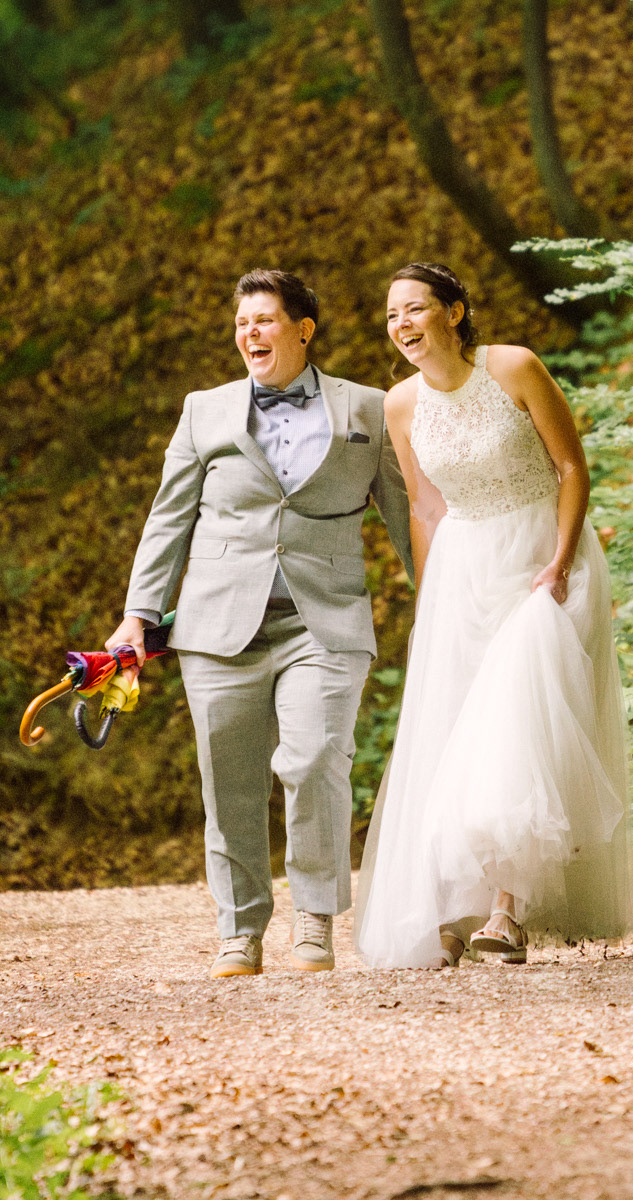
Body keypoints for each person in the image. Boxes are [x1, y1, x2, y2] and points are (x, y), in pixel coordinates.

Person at [106, 268, 411, 978]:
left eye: (264, 320)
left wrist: (444, 593)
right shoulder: (203, 411)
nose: (250, 334)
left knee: (315, 761)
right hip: (216, 627)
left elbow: (408, 513)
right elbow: (168, 518)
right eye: (242, 324)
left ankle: (314, 921)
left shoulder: (369, 409)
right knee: (230, 784)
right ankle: (239, 931)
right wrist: (137, 615)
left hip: (324, 621)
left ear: (303, 329)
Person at [355, 261, 633, 969]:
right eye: (391, 315)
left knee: (518, 721)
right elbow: (424, 508)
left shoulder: (514, 367)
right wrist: (430, 598)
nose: (401, 325)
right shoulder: (400, 404)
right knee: (457, 732)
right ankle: (455, 908)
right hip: (462, 570)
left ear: (453, 312)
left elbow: (571, 469)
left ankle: (508, 911)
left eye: (414, 308)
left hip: (541, 555)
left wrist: (560, 561)